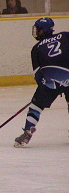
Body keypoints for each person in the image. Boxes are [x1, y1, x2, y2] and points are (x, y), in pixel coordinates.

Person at [14, 18, 69, 147]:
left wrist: (44, 87)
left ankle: (27, 133)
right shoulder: (65, 36)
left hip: (50, 81)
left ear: (43, 30)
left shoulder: (36, 48)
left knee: (36, 106)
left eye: (38, 29)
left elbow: (38, 75)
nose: (36, 32)